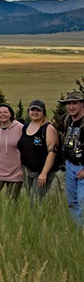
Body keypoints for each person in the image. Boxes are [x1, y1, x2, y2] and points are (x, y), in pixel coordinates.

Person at [17, 98, 60, 202]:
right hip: (27, 169)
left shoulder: (48, 128)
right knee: (28, 200)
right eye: (32, 110)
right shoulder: (25, 127)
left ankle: (38, 218)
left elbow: (52, 153)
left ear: (43, 112)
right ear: (28, 111)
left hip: (42, 172)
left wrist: (44, 173)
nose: (35, 113)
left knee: (35, 201)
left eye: (38, 110)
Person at [58, 90, 84, 229]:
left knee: (82, 200)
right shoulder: (66, 119)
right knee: (72, 201)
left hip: (82, 166)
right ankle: (78, 232)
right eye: (68, 104)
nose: (71, 107)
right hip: (70, 165)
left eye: (74, 103)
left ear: (82, 104)